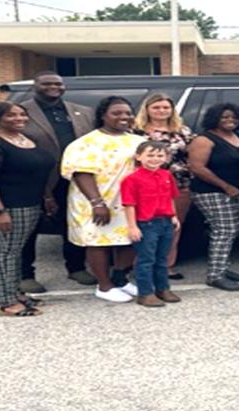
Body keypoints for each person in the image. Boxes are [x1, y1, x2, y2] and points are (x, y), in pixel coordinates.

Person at [0, 101, 58, 317]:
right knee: (6, 251)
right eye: (11, 115)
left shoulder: (24, 139)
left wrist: (46, 196)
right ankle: (5, 302)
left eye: (22, 114)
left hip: (29, 203)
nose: (19, 118)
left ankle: (15, 293)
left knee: (15, 250)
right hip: (6, 206)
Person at [15, 70, 96, 290]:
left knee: (73, 223)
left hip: (75, 178)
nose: (54, 87)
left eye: (58, 84)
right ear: (34, 86)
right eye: (47, 84)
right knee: (29, 227)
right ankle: (25, 274)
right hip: (35, 180)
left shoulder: (83, 112)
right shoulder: (19, 112)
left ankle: (76, 268)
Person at [60, 96, 146, 303]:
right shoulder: (87, 143)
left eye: (128, 113)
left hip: (128, 202)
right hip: (97, 201)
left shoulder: (138, 141)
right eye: (116, 113)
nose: (124, 117)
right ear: (103, 116)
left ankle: (120, 279)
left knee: (129, 239)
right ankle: (104, 286)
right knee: (99, 241)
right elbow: (82, 173)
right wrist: (97, 203)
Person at [185, 102, 239, 291]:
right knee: (224, 230)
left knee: (231, 231)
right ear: (215, 118)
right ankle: (215, 276)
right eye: (225, 117)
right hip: (211, 191)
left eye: (234, 117)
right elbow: (197, 167)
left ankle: (223, 268)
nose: (230, 120)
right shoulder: (204, 139)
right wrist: (226, 186)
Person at [133, 92, 196, 280]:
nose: (161, 111)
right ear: (147, 109)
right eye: (156, 107)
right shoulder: (136, 131)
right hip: (146, 186)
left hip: (179, 185)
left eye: (166, 107)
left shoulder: (182, 130)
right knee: (147, 227)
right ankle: (142, 266)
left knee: (172, 226)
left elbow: (193, 153)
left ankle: (166, 266)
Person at [120, 140, 181, 307]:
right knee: (146, 259)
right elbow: (129, 204)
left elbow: (170, 197)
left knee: (162, 258)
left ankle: (163, 288)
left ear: (166, 158)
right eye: (150, 155)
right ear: (138, 157)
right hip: (147, 224)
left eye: (159, 155)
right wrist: (132, 226)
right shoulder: (131, 179)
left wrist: (174, 216)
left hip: (165, 221)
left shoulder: (166, 175)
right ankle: (145, 293)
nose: (155, 159)